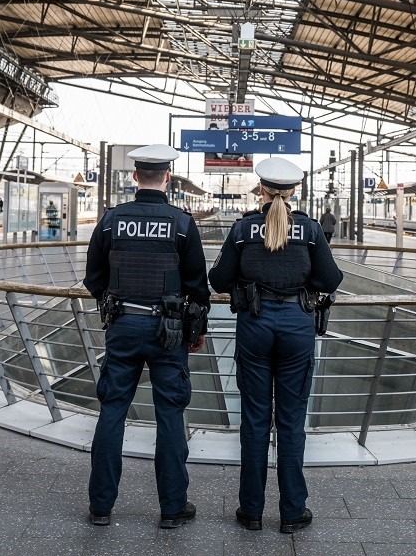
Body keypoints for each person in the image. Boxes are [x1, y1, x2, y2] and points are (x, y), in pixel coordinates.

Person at [209, 157, 344, 535]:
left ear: (262, 190)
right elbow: (330, 278)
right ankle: (292, 512)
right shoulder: (311, 230)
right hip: (297, 328)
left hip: (254, 324)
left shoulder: (242, 229)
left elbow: (218, 280)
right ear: (295, 190)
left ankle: (250, 511)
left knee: (254, 420)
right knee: (290, 421)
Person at [83, 144, 210, 529]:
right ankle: (172, 509)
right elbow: (198, 287)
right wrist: (195, 330)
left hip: (122, 326)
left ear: (135, 177)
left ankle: (101, 507)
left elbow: (93, 277)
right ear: (167, 178)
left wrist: (113, 300)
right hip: (168, 332)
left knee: (112, 411)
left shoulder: (111, 221)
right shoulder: (182, 224)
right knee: (170, 415)